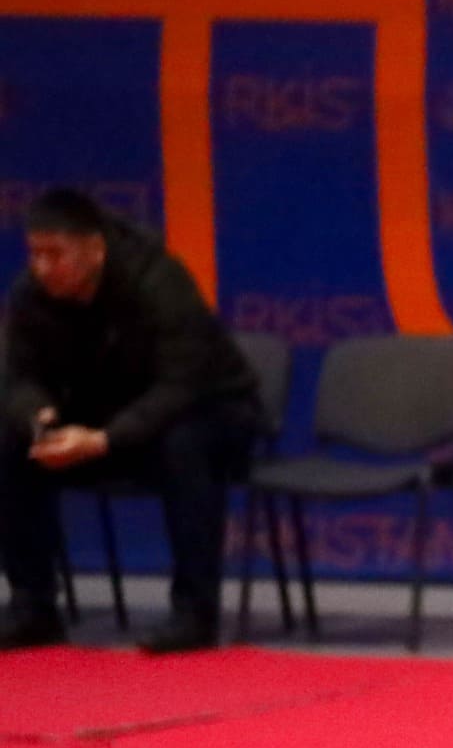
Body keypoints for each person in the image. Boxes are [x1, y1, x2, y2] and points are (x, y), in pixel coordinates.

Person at [1, 187, 262, 653]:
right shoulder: (31, 294)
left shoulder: (159, 281)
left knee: (185, 443)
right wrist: (39, 418)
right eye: (35, 254)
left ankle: (194, 614)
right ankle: (32, 607)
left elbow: (181, 385)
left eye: (55, 255)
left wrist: (104, 439)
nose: (42, 267)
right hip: (108, 422)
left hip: (211, 414)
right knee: (9, 441)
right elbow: (16, 376)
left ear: (95, 249)